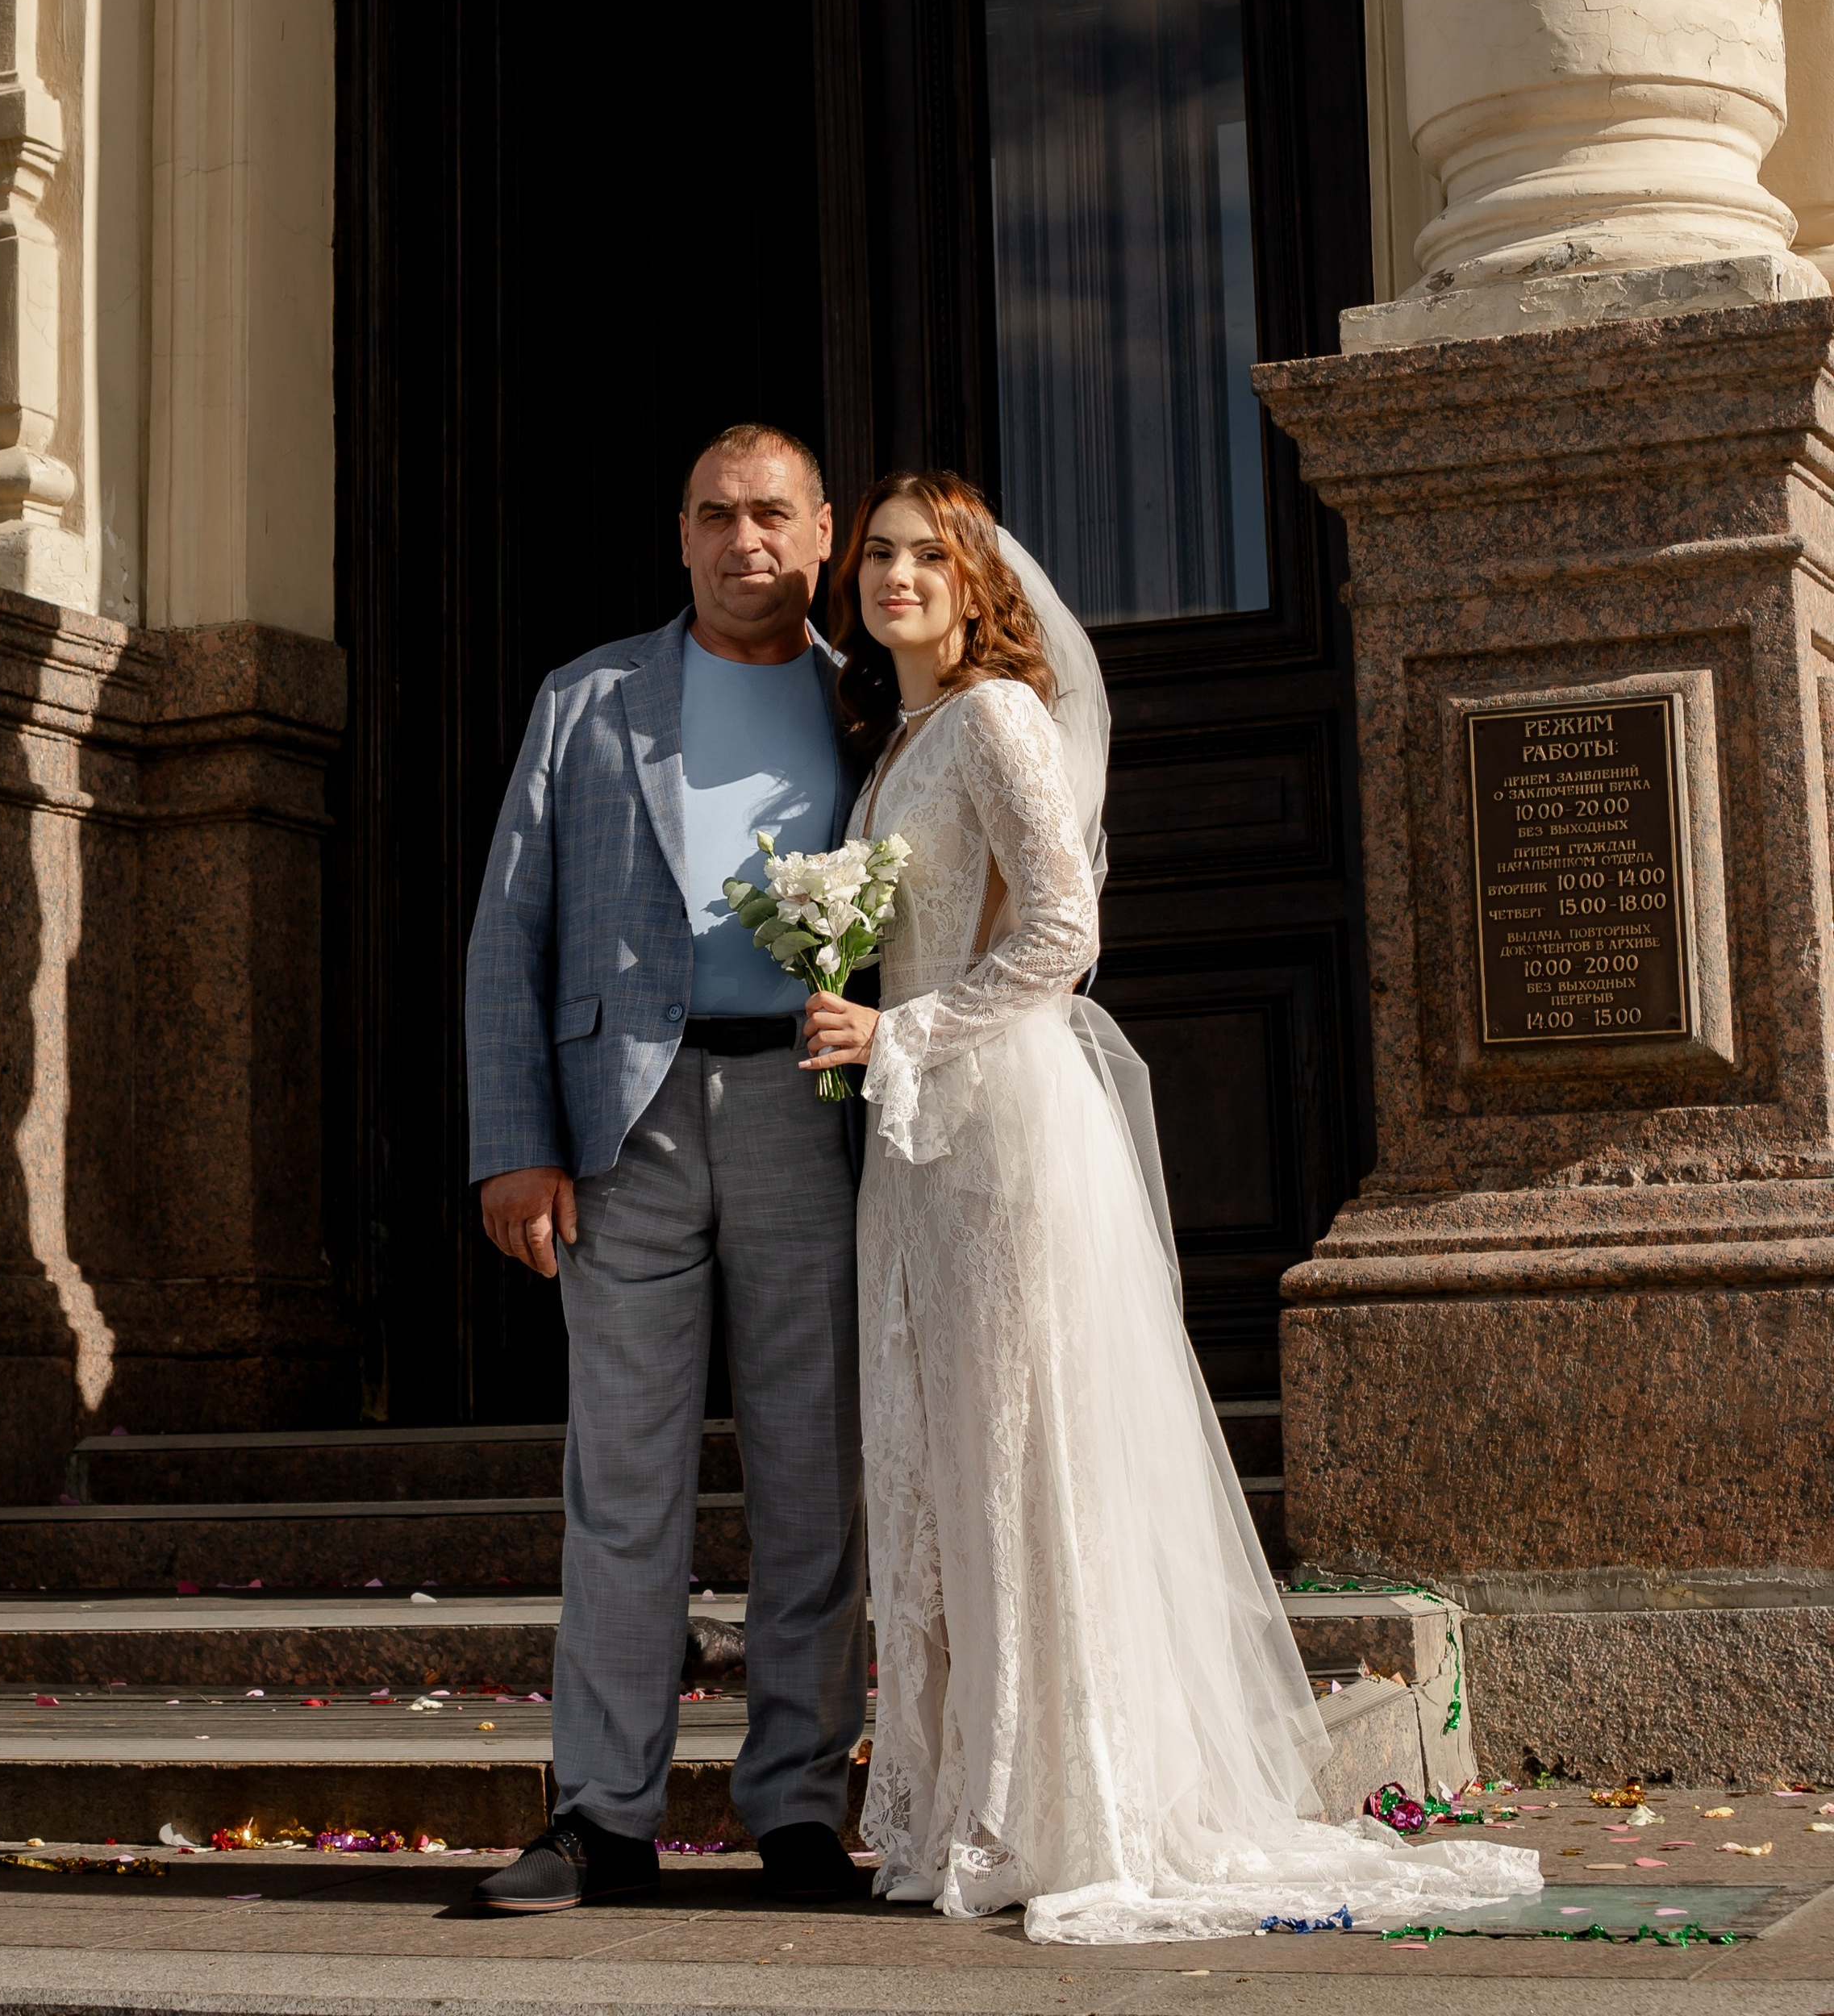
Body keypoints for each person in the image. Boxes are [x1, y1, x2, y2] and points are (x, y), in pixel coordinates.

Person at [800, 470, 1540, 1943]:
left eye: (923, 555)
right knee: (947, 1453)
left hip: (1002, 1128)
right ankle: (971, 1800)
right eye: (875, 554)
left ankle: (1069, 1804)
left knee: (1024, 1449)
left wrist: (908, 1033)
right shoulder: (893, 747)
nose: (893, 575)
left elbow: (1065, 936)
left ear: (973, 581)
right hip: (917, 1148)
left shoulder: (1000, 717)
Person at [465, 424, 872, 1914]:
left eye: (772, 514)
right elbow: (509, 932)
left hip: (809, 1118)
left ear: (824, 533)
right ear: (681, 532)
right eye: (714, 514)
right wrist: (516, 1146)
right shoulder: (588, 699)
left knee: (814, 1480)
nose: (742, 540)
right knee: (621, 1482)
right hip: (623, 1125)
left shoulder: (872, 705)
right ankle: (601, 1819)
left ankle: (800, 1810)